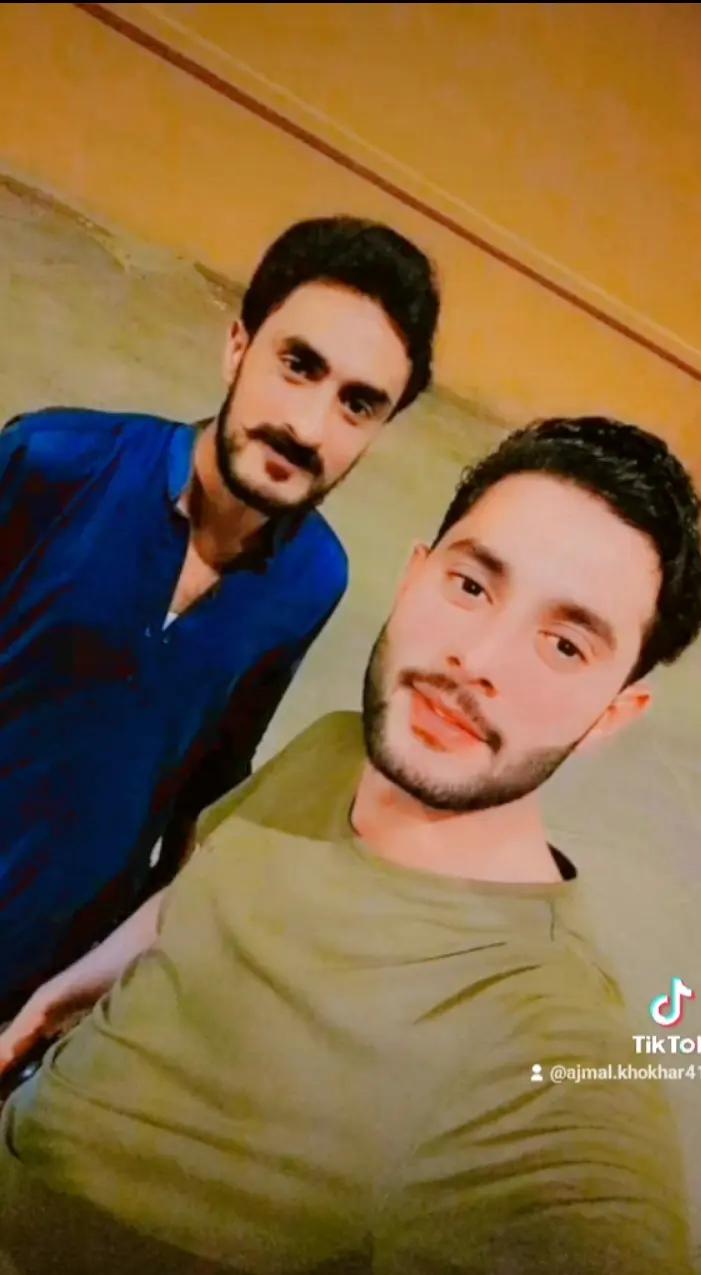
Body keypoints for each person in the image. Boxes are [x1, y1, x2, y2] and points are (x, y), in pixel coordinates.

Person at [1, 416, 701, 1275]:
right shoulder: (339, 746)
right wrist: (65, 994)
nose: (475, 657)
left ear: (613, 716)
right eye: (471, 584)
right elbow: (212, 881)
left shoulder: (542, 1047)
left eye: (564, 644)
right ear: (413, 575)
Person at [0, 215, 439, 1021]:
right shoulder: (52, 461)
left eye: (357, 404)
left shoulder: (314, 578)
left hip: (48, 982)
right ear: (238, 346)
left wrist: (130, 979)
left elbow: (209, 778)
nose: (307, 426)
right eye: (298, 365)